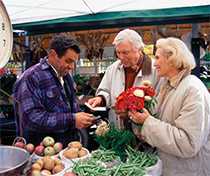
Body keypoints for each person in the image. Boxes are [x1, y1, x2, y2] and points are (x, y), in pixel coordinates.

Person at [129, 37, 210, 176]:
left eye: (158, 58)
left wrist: (147, 121)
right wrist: (142, 106)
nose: (154, 64)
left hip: (188, 171)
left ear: (172, 59)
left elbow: (188, 144)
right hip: (170, 168)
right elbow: (159, 121)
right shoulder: (167, 86)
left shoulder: (192, 89)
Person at [13, 34, 94, 146]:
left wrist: (84, 117)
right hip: (41, 152)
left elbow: (71, 106)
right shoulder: (31, 77)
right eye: (68, 61)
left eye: (73, 62)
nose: (71, 67)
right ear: (53, 54)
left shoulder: (66, 76)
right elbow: (32, 119)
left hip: (66, 148)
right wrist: (72, 119)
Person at [88, 29, 159, 129]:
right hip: (118, 129)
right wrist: (101, 98)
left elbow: (160, 102)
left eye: (125, 52)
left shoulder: (156, 69)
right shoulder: (112, 69)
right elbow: (105, 90)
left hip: (145, 132)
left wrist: (131, 112)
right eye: (118, 52)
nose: (121, 57)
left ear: (139, 49)